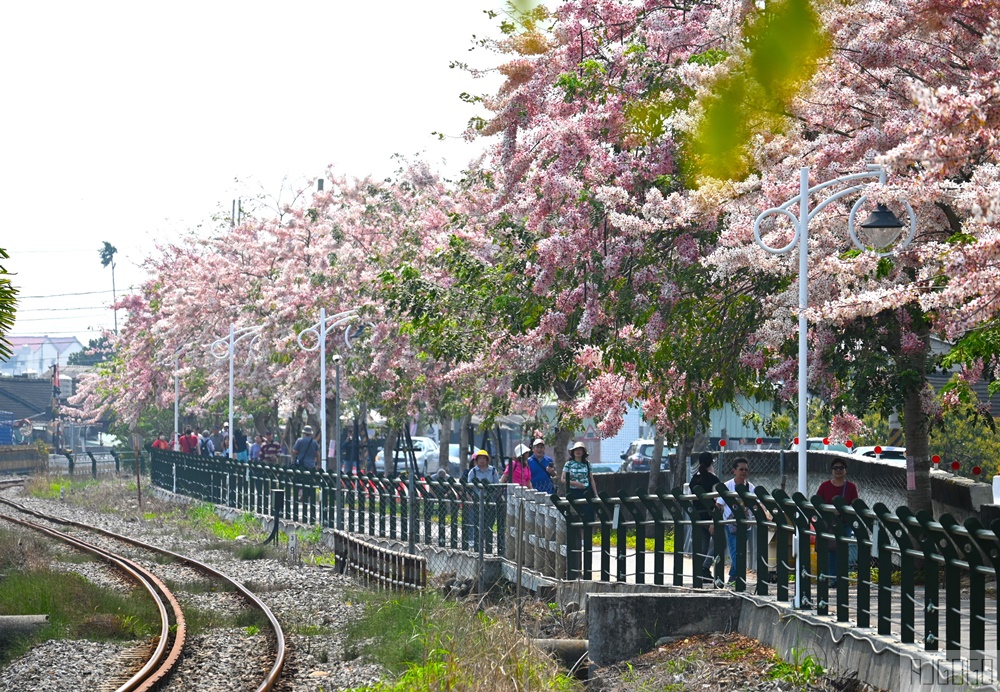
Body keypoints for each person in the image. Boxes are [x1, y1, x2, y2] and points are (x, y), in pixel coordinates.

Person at [815, 458, 859, 580]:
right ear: (832, 471)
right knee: (829, 551)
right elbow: (817, 502)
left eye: (841, 468)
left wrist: (842, 510)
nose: (838, 470)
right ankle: (829, 577)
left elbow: (855, 504)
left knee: (842, 550)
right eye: (835, 468)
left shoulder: (851, 487)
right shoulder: (824, 486)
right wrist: (830, 511)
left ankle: (839, 578)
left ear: (845, 471)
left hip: (845, 523)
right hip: (829, 523)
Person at [716, 457, 754, 588]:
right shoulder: (727, 486)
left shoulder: (750, 487)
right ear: (734, 471)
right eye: (741, 469)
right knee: (736, 552)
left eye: (746, 469)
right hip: (731, 524)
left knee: (741, 551)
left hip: (746, 524)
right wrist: (713, 522)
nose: (744, 472)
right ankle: (739, 579)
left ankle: (733, 577)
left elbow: (756, 504)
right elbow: (718, 505)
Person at [690, 451, 722, 587]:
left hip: (697, 515)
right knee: (720, 543)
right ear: (711, 463)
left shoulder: (693, 480)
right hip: (710, 515)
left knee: (703, 544)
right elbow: (717, 499)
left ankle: (701, 572)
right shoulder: (713, 480)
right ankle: (704, 567)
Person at [466, 449, 500, 550]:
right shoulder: (473, 471)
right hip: (477, 501)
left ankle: (489, 547)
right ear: (476, 460)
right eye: (479, 458)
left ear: (487, 460)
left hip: (490, 500)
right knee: (477, 524)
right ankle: (477, 547)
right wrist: (470, 498)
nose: (481, 460)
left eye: (483, 458)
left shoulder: (493, 470)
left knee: (489, 524)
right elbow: (469, 486)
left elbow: (497, 485)